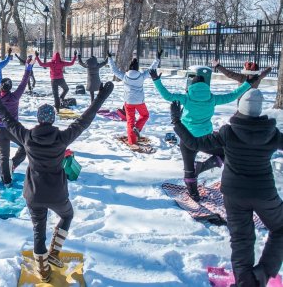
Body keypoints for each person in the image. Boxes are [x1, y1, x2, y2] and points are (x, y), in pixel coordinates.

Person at [0, 80, 114, 282]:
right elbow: (84, 121)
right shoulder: (62, 138)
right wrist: (100, 98)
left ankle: (43, 269)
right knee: (67, 216)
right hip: (57, 194)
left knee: (38, 231)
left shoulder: (27, 137)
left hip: (34, 194)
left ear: (38, 120)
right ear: (52, 120)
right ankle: (54, 252)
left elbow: (6, 117)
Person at [170, 90, 283, 287]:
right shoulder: (272, 133)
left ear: (240, 108)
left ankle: (246, 282)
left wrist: (177, 122)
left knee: (241, 238)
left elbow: (194, 143)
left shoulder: (228, 132)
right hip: (264, 194)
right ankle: (261, 275)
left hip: (234, 193)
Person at [150, 69, 253, 201]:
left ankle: (194, 194)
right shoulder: (212, 99)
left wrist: (156, 80)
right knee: (225, 153)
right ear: (206, 86)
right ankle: (202, 167)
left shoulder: (186, 98)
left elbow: (167, 96)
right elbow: (233, 95)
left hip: (187, 137)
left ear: (191, 87)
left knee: (189, 169)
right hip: (206, 138)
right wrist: (248, 83)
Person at [0, 57, 33, 186]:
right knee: (25, 145)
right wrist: (28, 68)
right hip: (12, 129)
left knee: (3, 156)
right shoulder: (15, 97)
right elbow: (23, 83)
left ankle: (6, 181)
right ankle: (14, 163)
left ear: (0, 87)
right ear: (10, 88)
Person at [107, 51, 160, 145]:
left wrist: (110, 58)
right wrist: (157, 59)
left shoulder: (125, 76)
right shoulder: (141, 76)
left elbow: (114, 70)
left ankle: (132, 142)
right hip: (140, 101)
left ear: (130, 68)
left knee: (130, 121)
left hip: (128, 102)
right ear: (137, 69)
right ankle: (138, 128)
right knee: (145, 115)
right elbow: (152, 69)